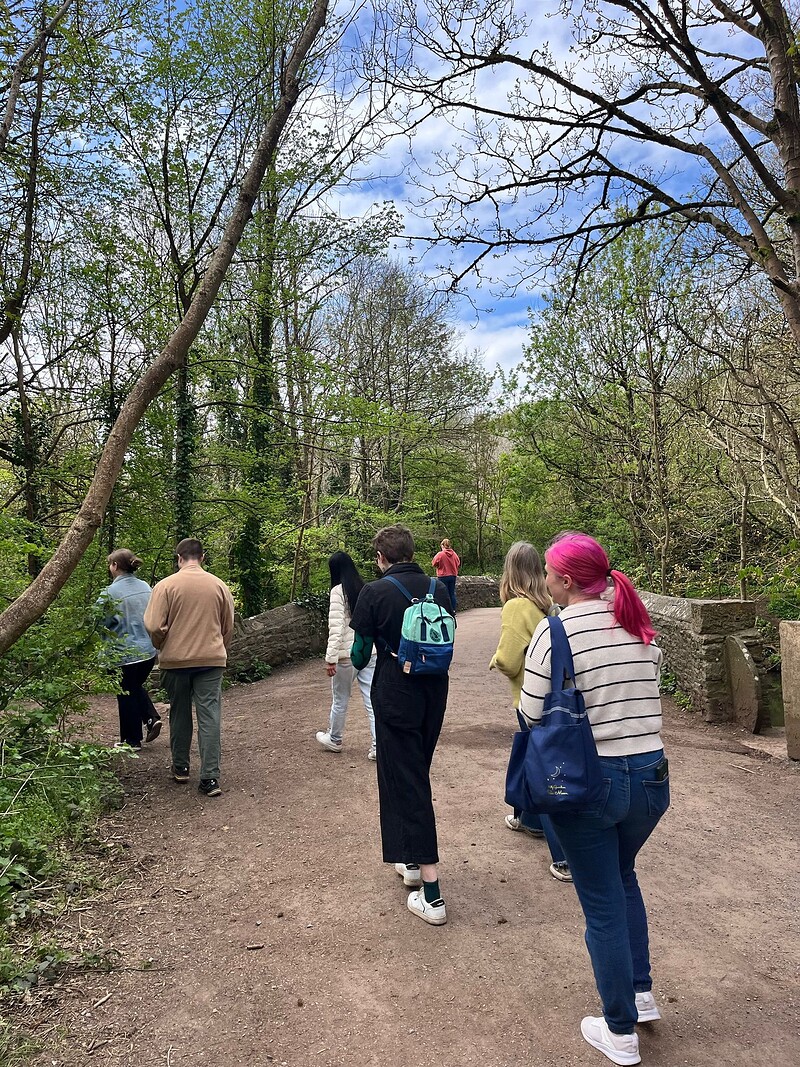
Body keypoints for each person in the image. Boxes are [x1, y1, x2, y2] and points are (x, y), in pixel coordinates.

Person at [520, 532, 668, 1067]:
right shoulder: (638, 623)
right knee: (623, 878)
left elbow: (532, 711)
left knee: (602, 903)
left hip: (590, 781)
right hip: (651, 776)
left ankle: (620, 1030)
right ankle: (641, 993)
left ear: (562, 581)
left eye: (550, 576)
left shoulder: (555, 630)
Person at [350, 524, 452, 925]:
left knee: (407, 781)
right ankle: (408, 859)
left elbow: (359, 657)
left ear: (381, 558)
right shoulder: (437, 588)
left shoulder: (373, 594)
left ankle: (433, 893)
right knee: (412, 773)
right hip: (434, 691)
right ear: (412, 552)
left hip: (394, 693)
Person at [489, 541, 571, 882]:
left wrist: (495, 661)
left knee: (542, 766)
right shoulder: (546, 604)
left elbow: (509, 659)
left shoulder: (515, 607)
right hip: (557, 697)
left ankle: (564, 857)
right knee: (533, 757)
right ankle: (529, 819)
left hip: (530, 696)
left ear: (509, 571)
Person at [144, 538, 235, 798]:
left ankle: (181, 766)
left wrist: (162, 643)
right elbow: (227, 625)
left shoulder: (165, 586)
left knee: (180, 712)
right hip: (210, 660)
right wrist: (218, 647)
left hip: (175, 661)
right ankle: (209, 777)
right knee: (210, 716)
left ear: (179, 558)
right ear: (203, 557)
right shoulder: (219, 585)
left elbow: (152, 625)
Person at [97, 548, 162, 750]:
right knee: (132, 687)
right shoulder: (145, 587)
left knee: (126, 693)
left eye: (110, 564)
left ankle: (131, 741)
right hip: (148, 651)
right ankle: (151, 718)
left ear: (115, 566)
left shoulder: (110, 592)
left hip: (124, 653)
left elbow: (98, 621)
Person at [316, 551, 377, 761]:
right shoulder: (365, 588)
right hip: (369, 651)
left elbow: (336, 628)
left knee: (340, 699)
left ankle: (334, 738)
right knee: (371, 700)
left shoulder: (338, 592)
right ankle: (379, 745)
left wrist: (330, 658)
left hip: (346, 656)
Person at [431, 537, 460, 612]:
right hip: (453, 575)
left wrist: (440, 566)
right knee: (452, 593)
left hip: (443, 575)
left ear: (442, 546)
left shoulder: (440, 554)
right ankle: (453, 610)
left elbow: (434, 563)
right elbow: (458, 563)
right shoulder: (454, 554)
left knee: (444, 593)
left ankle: (445, 610)